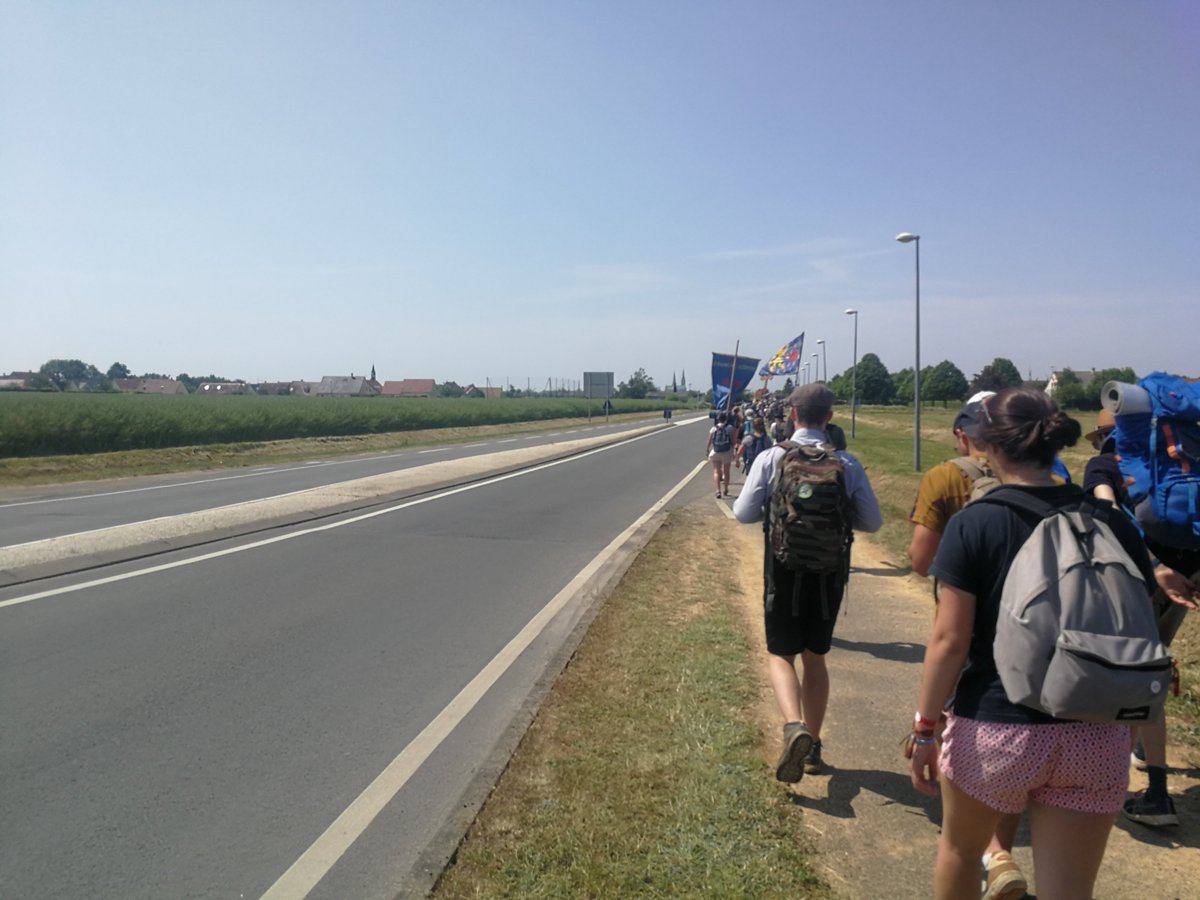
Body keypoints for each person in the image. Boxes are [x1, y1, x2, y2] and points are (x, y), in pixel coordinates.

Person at [909, 388, 1157, 900]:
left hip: (997, 729)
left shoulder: (975, 523)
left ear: (989, 445)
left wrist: (927, 728)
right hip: (1097, 732)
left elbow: (950, 640)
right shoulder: (1111, 522)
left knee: (959, 852)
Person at [906, 396, 1027, 899]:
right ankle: (1001, 848)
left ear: (962, 435)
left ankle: (981, 849)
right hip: (1030, 627)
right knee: (1019, 721)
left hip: (966, 619)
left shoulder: (943, 477)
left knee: (964, 715)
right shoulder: (1048, 481)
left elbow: (919, 559)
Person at [734, 384, 883, 782]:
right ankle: (813, 745)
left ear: (792, 414)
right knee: (815, 656)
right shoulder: (846, 464)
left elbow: (742, 513)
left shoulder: (772, 457)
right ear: (829, 418)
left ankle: (793, 726)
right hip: (829, 572)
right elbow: (873, 522)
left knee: (781, 653)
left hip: (782, 570)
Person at [1082, 409, 1200, 827]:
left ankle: (1157, 795)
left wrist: (1153, 566)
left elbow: (1107, 517)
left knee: (1137, 677)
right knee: (1152, 665)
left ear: (1105, 436)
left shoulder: (1104, 465)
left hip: (1139, 579)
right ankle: (1142, 752)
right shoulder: (1182, 465)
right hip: (1184, 583)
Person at [706, 412, 736, 497]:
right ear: (726, 420)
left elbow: (709, 441)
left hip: (716, 451)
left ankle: (717, 491)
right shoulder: (730, 428)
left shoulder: (713, 428)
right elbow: (733, 442)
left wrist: (707, 450)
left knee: (716, 471)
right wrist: (734, 451)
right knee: (726, 472)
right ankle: (725, 489)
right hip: (727, 451)